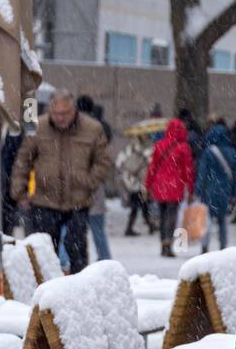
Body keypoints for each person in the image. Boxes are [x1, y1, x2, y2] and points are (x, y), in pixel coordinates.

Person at [10, 88, 112, 273]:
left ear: (74, 110)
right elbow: (23, 160)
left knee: (77, 249)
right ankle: (46, 291)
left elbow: (103, 162)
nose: (60, 118)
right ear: (50, 110)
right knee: (45, 254)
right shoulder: (38, 128)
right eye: (56, 114)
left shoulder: (92, 129)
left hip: (78, 200)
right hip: (44, 199)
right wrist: (20, 191)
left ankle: (77, 290)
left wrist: (89, 182)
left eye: (65, 114)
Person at [144, 117, 194, 257]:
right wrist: (190, 189)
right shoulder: (184, 147)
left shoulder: (159, 144)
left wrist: (147, 185)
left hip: (160, 186)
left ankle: (163, 244)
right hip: (175, 186)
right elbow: (188, 171)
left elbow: (152, 167)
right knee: (171, 215)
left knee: (162, 215)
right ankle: (168, 243)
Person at [76, 94, 115, 263]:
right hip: (96, 186)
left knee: (75, 229)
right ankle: (105, 259)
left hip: (79, 185)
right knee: (98, 228)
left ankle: (72, 259)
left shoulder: (78, 128)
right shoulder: (103, 127)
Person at [194, 118, 236, 252]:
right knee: (222, 221)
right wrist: (234, 193)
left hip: (210, 190)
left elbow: (202, 172)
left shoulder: (208, 152)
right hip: (224, 191)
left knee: (206, 221)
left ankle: (205, 246)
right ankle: (223, 246)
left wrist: (198, 190)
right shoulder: (232, 152)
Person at [117, 132, 156, 236]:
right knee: (141, 206)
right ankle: (132, 228)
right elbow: (149, 164)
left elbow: (119, 163)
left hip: (132, 181)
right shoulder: (145, 150)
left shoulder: (129, 148)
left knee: (142, 206)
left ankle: (149, 226)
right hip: (140, 182)